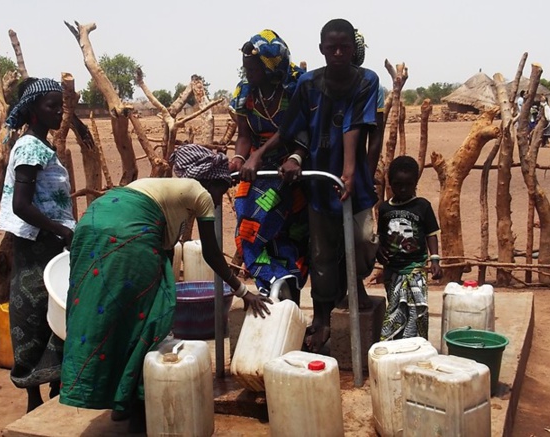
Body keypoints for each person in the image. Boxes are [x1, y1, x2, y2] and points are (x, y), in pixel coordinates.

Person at [59, 144, 271, 434]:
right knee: (149, 320)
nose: (224, 196)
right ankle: (136, 410)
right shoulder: (201, 193)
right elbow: (211, 253)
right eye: (224, 187)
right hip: (128, 234)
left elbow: (163, 249)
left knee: (107, 313)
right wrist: (244, 292)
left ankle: (117, 403)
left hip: (93, 222)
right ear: (212, 180)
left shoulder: (162, 187)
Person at [278, 18, 382, 353]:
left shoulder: (367, 81)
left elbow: (358, 126)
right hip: (321, 183)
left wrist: (356, 172)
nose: (338, 52)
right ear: (322, 48)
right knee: (322, 251)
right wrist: (294, 157)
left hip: (356, 181)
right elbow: (297, 130)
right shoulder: (308, 85)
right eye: (331, 46)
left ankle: (354, 284)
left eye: (345, 46)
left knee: (365, 242)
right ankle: (322, 316)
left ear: (354, 48)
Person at [0, 77, 75, 413]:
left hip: (51, 240)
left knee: (56, 307)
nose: (59, 112)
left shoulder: (42, 146)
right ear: (32, 109)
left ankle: (55, 386)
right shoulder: (29, 147)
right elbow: (22, 205)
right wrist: (62, 231)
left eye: (60, 105)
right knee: (33, 311)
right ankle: (33, 394)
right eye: (51, 106)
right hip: (38, 242)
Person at [228, 29, 309, 303]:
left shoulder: (297, 86)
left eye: (253, 68)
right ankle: (273, 281)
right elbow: (243, 135)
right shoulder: (245, 91)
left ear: (270, 67)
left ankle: (287, 286)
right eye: (246, 67)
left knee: (290, 233)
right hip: (257, 168)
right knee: (248, 230)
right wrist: (240, 158)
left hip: (291, 165)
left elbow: (295, 130)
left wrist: (290, 157)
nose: (247, 72)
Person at [376, 156, 442, 340]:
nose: (403, 189)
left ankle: (415, 343)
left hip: (416, 269)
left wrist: (435, 259)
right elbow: (381, 236)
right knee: (396, 307)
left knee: (416, 309)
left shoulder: (422, 206)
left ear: (415, 183)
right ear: (390, 183)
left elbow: (431, 234)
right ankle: (396, 343)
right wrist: (378, 251)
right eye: (398, 184)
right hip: (392, 270)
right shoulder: (384, 209)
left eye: (408, 184)